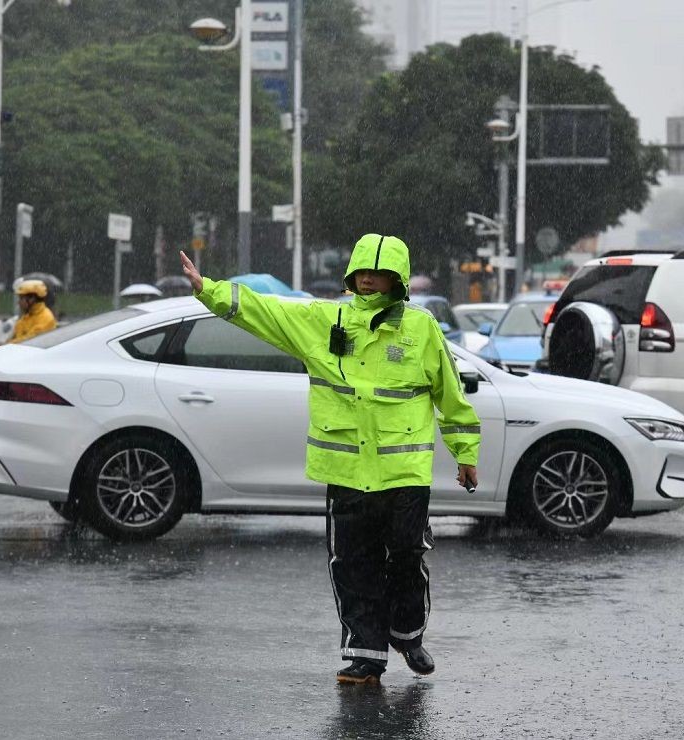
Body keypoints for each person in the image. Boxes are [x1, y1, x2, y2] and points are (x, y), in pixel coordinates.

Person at [180, 234, 480, 686]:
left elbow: (450, 396)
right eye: (361, 272)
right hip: (345, 473)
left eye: (377, 273)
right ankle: (365, 655)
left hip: (404, 474)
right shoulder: (326, 320)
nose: (367, 279)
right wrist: (209, 288)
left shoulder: (421, 329)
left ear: (396, 280)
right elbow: (268, 312)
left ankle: (408, 633)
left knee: (405, 556)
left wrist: (466, 454)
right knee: (352, 563)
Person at [9, 279, 57, 344]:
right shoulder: (27, 316)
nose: (19, 302)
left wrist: (5, 345)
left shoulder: (45, 318)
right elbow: (16, 335)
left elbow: (29, 340)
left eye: (21, 298)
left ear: (32, 299)